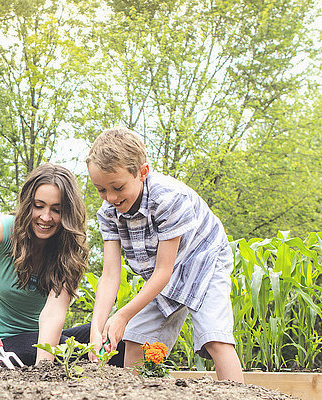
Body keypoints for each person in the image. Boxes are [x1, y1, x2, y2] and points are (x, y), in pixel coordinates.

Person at [85, 127, 243, 382]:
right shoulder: (107, 213)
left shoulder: (168, 199)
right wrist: (96, 329)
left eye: (117, 187)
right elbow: (110, 275)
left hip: (205, 259)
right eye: (101, 190)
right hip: (164, 273)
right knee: (135, 339)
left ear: (142, 173)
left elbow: (163, 272)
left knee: (215, 337)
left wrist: (123, 314)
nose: (110, 197)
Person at [0, 163, 124, 366]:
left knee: (113, 335)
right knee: (30, 348)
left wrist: (44, 367)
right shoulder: (5, 228)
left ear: (67, 214)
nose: (45, 217)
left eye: (56, 210)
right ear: (27, 204)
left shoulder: (68, 252)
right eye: (38, 206)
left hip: (42, 342)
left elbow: (53, 315)